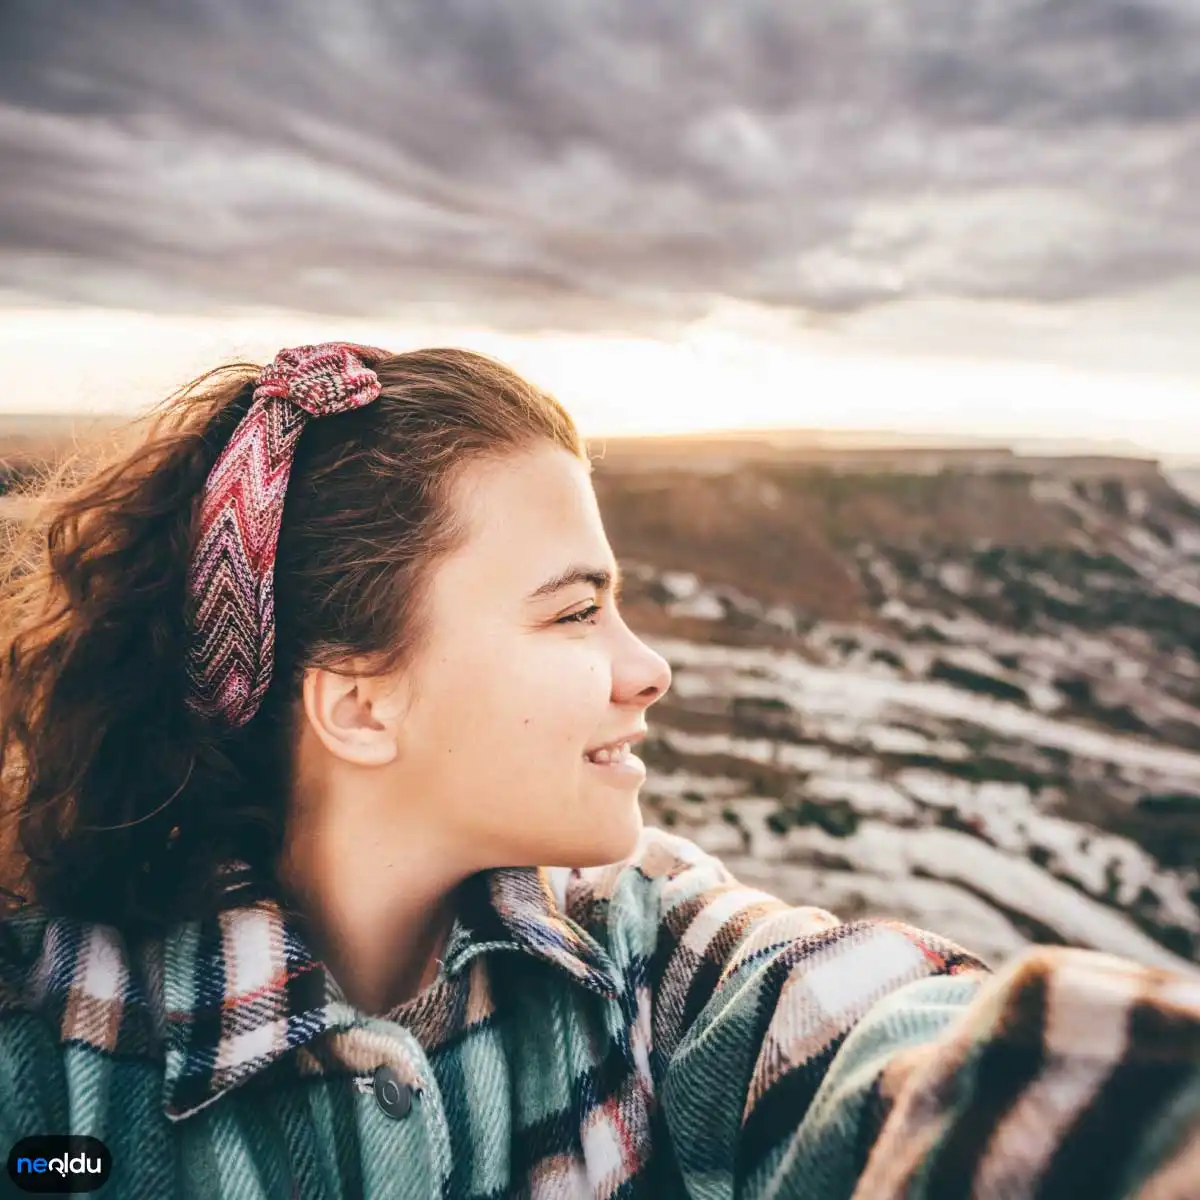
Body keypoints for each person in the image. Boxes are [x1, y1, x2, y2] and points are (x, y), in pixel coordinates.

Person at [0, 343, 1194, 1199]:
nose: (650, 669)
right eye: (577, 614)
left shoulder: (646, 968)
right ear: (361, 706)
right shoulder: (47, 1062)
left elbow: (899, 1053)